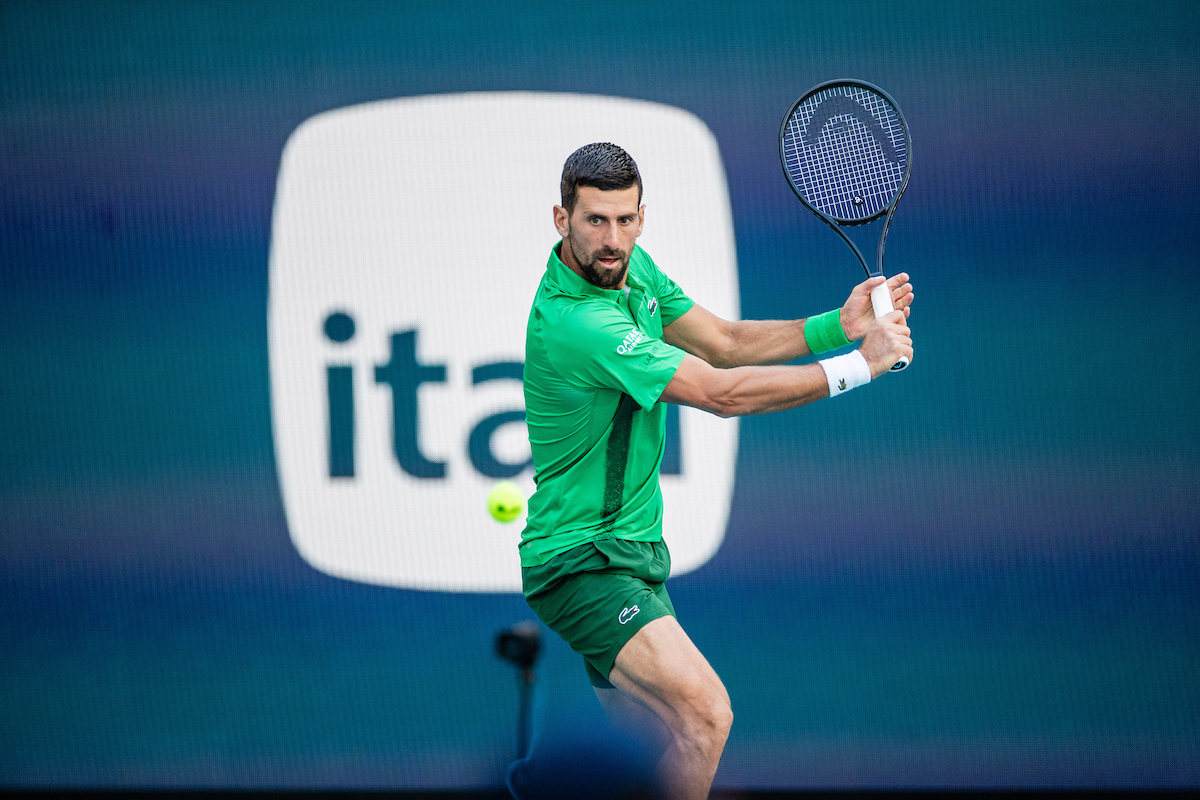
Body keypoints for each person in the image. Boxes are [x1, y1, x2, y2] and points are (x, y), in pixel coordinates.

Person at [515, 143, 913, 800]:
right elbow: (721, 393)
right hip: (582, 562)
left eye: (624, 220)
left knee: (651, 768)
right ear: (561, 219)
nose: (611, 240)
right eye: (593, 222)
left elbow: (724, 342)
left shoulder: (631, 270)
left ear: (642, 217)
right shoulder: (575, 322)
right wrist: (859, 365)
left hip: (630, 557)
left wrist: (835, 326)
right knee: (706, 716)